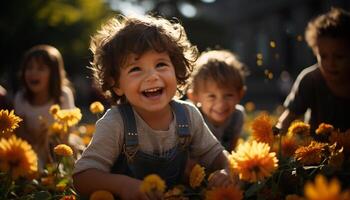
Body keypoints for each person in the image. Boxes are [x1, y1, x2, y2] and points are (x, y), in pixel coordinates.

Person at [73, 15, 233, 199]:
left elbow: (215, 155)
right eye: (135, 69)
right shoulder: (115, 123)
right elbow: (82, 177)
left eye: (161, 64)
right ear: (116, 84)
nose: (152, 76)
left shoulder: (188, 115)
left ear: (177, 69)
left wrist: (226, 170)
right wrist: (123, 186)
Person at [275, 8, 350, 138]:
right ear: (315, 52)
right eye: (323, 56)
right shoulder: (310, 80)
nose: (331, 63)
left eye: (339, 56)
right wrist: (274, 136)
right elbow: (288, 117)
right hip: (314, 153)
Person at [14, 44, 75, 169]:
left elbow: (67, 134)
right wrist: (38, 144)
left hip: (59, 151)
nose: (33, 73)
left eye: (40, 68)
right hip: (31, 150)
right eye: (29, 68)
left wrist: (50, 144)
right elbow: (20, 132)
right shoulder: (21, 97)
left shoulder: (63, 96)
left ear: (53, 74)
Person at [186, 50, 247, 151]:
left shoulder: (237, 117)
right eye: (211, 96)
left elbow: (230, 151)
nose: (221, 104)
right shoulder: (189, 117)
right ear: (194, 97)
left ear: (240, 94)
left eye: (228, 95)